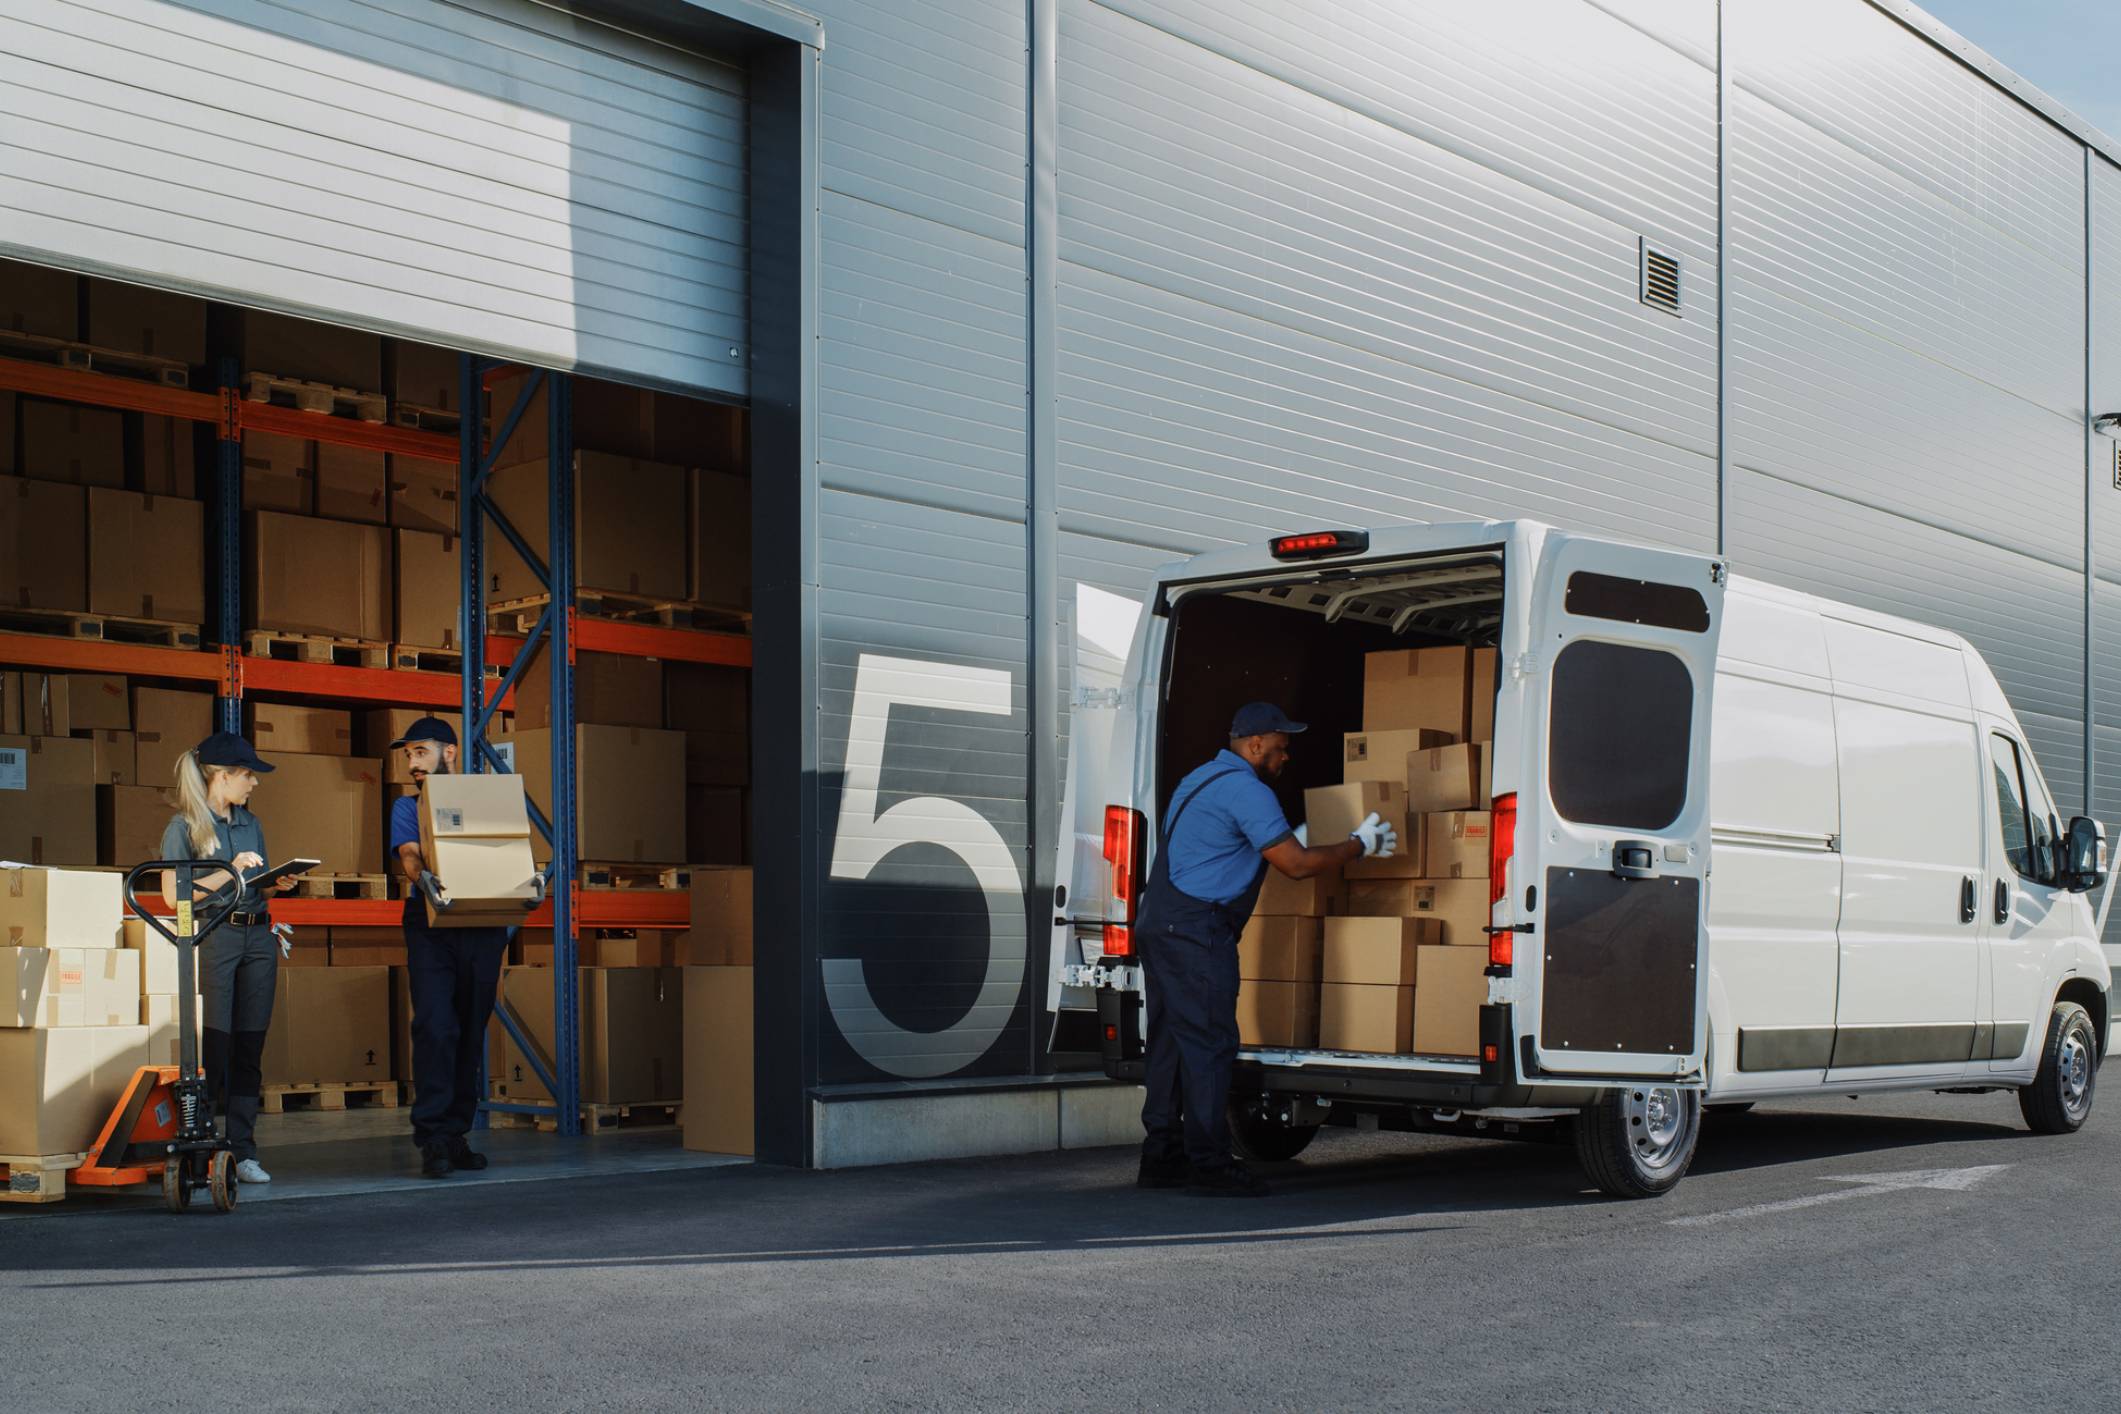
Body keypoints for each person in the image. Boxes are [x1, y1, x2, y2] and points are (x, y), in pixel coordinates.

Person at [1136, 703, 1399, 1198]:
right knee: (1210, 1046)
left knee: (1171, 1042)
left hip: (1160, 923)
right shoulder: (1247, 789)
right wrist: (1356, 846)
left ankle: (1161, 1157)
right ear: (1255, 744)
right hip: (1197, 931)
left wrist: (1289, 837)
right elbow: (1295, 866)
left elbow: (1223, 847)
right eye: (1280, 749)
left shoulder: (1200, 779)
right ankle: (1211, 1165)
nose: (1285, 759)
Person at [159, 731, 297, 1185]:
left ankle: (244, 1150)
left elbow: (254, 879)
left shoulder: (250, 822)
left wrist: (275, 882)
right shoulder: (183, 829)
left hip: (258, 938)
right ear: (221, 776)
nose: (253, 783)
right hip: (216, 938)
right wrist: (229, 871)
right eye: (247, 775)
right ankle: (205, 1146)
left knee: (249, 1048)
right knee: (213, 1051)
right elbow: (171, 896)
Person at [389, 716, 512, 1179]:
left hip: (482, 921)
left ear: (450, 752)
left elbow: (506, 846)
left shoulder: (485, 800)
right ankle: (434, 1136)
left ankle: (456, 1133)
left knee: (469, 1027)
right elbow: (408, 855)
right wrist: (424, 879)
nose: (412, 762)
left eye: (420, 751)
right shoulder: (408, 807)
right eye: (408, 755)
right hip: (432, 919)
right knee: (437, 1025)